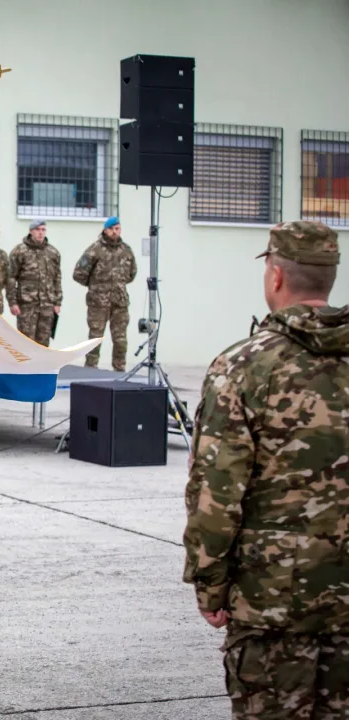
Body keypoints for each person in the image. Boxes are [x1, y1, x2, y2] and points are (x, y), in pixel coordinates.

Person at [183, 221, 347, 719]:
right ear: (330, 277)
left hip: (272, 597)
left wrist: (209, 583)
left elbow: (216, 493)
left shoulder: (243, 366)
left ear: (275, 277)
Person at [73, 216, 137, 371]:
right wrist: (96, 286)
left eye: (118, 229)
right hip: (98, 303)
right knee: (95, 338)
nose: (115, 232)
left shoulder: (126, 251)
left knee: (120, 340)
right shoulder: (95, 250)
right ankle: (90, 368)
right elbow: (79, 273)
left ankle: (119, 369)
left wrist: (117, 286)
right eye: (112, 229)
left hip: (119, 303)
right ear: (105, 230)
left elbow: (131, 273)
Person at [8, 219, 62, 346]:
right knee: (25, 342)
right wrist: (13, 302)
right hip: (27, 305)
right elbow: (10, 278)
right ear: (31, 231)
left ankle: (42, 366)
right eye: (37, 230)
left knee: (43, 342)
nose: (40, 233)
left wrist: (57, 302)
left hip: (47, 305)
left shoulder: (52, 253)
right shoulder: (19, 251)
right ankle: (24, 367)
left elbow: (57, 278)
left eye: (43, 230)